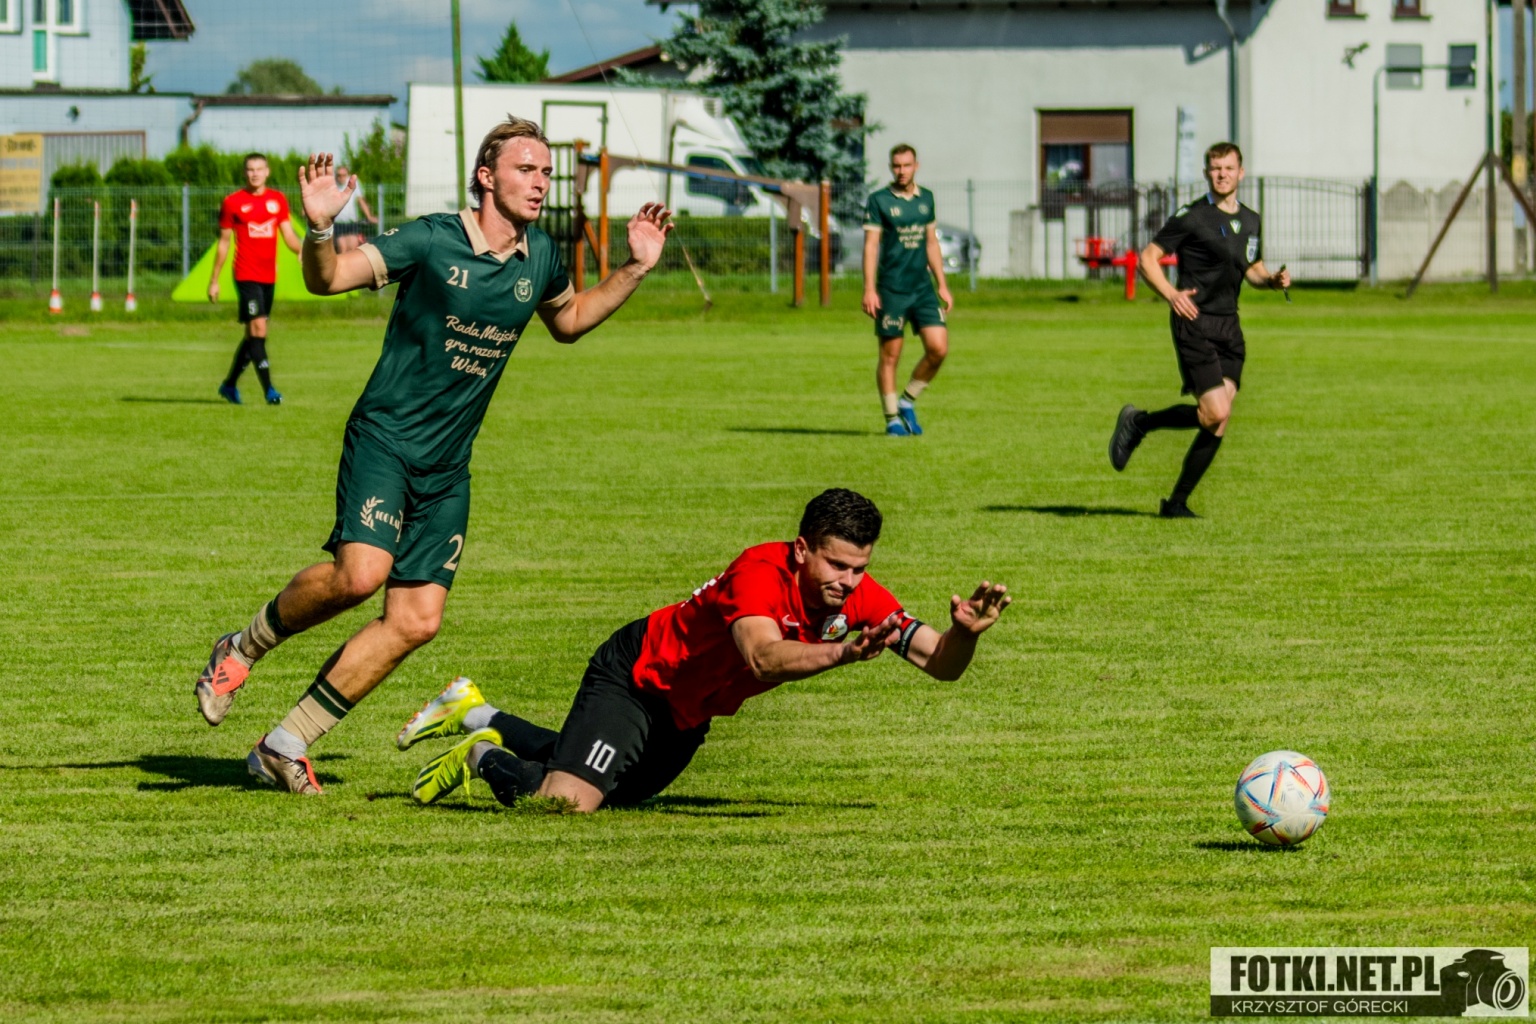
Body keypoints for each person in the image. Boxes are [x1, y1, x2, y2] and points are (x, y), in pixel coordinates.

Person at [192, 116, 675, 795]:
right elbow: (330, 278)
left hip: (448, 467)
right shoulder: (430, 237)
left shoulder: (541, 255)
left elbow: (569, 322)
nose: (540, 182)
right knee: (360, 576)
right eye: (526, 169)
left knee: (417, 620)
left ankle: (284, 743)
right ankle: (242, 647)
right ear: (486, 176)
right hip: (386, 438)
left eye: (544, 171)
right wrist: (321, 229)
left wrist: (635, 267)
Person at [396, 488, 1012, 812]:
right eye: (837, 564)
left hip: (686, 718)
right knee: (568, 801)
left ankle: (474, 710)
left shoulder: (858, 596)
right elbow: (762, 657)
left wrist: (963, 634)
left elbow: (939, 664)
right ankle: (480, 752)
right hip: (638, 678)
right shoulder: (759, 573)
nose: (849, 582)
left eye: (860, 568)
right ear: (803, 549)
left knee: (609, 790)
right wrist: (843, 655)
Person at [1107, 142, 1291, 517]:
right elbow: (1147, 259)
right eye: (1215, 168)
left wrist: (1271, 280)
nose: (1222, 174)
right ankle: (1140, 423)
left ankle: (1176, 503)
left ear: (1241, 173)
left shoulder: (1251, 220)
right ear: (1207, 173)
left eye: (1229, 168)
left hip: (1229, 327)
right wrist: (1171, 294)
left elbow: (1251, 267)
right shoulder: (1192, 216)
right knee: (1215, 411)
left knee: (1218, 419)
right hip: (1194, 321)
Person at [862, 144, 954, 437]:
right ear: (892, 168)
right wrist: (869, 289)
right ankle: (892, 419)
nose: (901, 171)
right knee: (891, 355)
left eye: (906, 165)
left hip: (922, 289)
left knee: (938, 348)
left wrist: (942, 284)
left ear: (916, 166)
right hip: (892, 290)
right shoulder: (879, 200)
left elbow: (931, 243)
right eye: (896, 166)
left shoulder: (926, 198)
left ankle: (907, 401)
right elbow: (871, 246)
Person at [210, 153, 303, 406]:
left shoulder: (278, 200)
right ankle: (269, 390)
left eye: (259, 169)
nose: (255, 174)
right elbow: (223, 243)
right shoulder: (233, 202)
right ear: (245, 173)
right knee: (259, 329)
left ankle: (229, 385)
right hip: (245, 274)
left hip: (268, 276)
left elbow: (288, 234)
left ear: (267, 171)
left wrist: (301, 250)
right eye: (250, 169)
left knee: (255, 335)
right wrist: (214, 280)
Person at [331, 164, 378, 253]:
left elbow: (360, 200)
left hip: (352, 222)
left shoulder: (352, 182)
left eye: (343, 175)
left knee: (353, 249)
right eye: (339, 175)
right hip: (338, 223)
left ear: (347, 175)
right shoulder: (333, 185)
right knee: (342, 249)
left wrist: (369, 216)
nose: (341, 178)